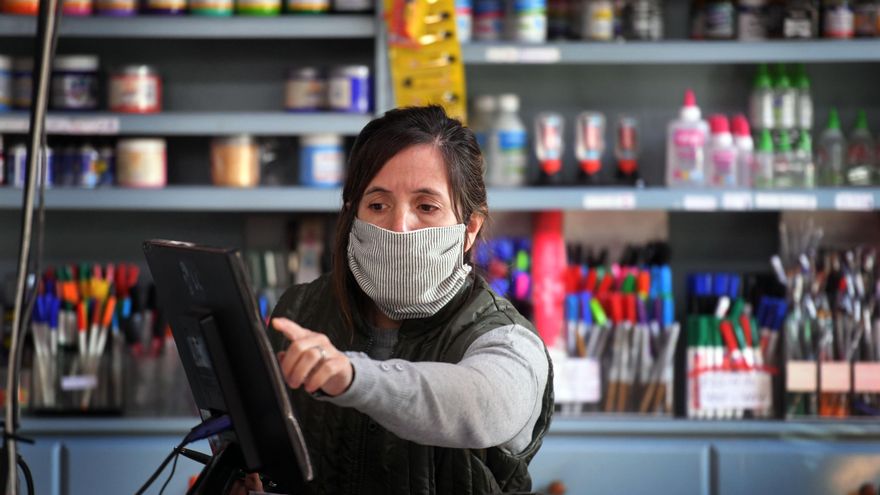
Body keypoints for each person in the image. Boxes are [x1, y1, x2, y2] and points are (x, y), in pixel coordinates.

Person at [242, 105, 552, 494]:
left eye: (426, 206)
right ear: (352, 213)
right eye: (377, 205)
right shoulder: (301, 313)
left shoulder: (506, 340)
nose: (400, 227)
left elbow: (483, 405)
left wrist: (352, 375)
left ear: (469, 228)